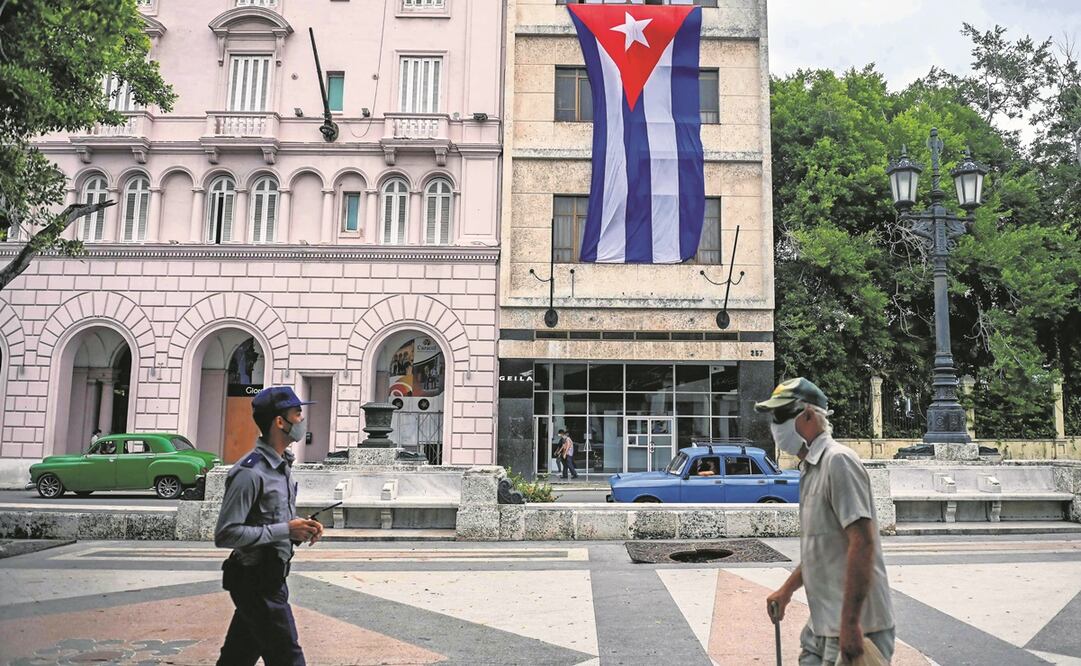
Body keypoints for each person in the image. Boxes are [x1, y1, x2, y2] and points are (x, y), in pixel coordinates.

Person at [756, 377, 894, 665]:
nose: (775, 427)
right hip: (823, 624)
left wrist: (850, 623)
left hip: (856, 626)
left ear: (808, 414)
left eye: (780, 416)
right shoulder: (810, 469)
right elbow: (825, 550)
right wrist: (787, 590)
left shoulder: (838, 461)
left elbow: (863, 542)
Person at [214, 386, 325, 666]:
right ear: (279, 421)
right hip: (255, 580)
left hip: (272, 578)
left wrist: (302, 529)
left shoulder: (282, 466)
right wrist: (286, 530)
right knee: (289, 659)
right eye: (297, 413)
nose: (302, 420)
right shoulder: (249, 473)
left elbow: (273, 521)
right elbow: (226, 533)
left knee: (237, 659)